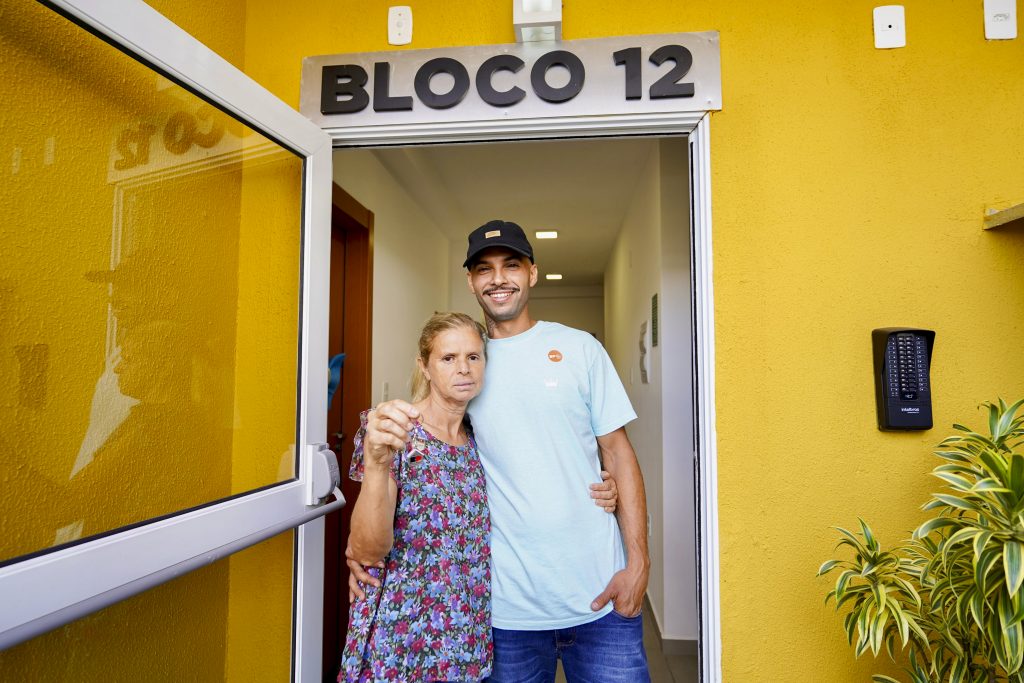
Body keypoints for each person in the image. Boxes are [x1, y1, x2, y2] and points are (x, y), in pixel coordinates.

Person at [364, 220, 651, 683]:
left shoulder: (579, 349)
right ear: (471, 281)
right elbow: (430, 446)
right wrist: (362, 546)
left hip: (601, 597)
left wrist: (638, 565)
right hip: (506, 613)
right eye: (484, 269)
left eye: (511, 265)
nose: (498, 278)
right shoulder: (469, 365)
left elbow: (619, 455)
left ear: (532, 273)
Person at [340, 312, 619, 683]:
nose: (463, 369)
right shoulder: (397, 434)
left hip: (464, 633)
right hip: (404, 629)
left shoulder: (476, 439)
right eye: (448, 358)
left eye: (473, 357)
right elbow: (368, 549)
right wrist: (377, 464)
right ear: (424, 366)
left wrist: (601, 485)